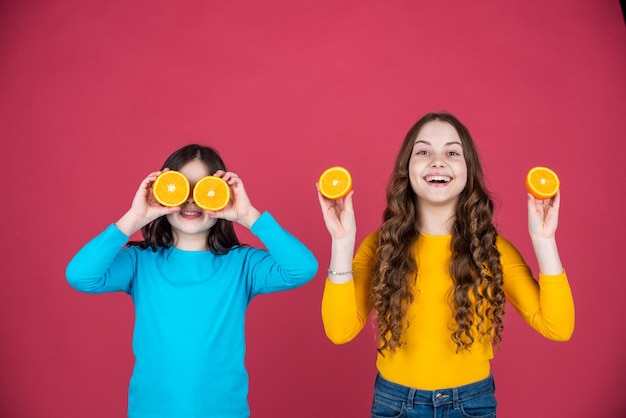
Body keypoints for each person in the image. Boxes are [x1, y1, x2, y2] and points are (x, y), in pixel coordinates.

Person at [317, 112, 575, 417]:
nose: (437, 161)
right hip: (396, 404)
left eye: (452, 152)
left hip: (471, 404)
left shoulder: (492, 250)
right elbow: (339, 330)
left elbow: (558, 327)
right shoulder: (380, 246)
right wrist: (342, 242)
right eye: (424, 151)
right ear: (407, 168)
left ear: (468, 171)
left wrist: (544, 239)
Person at [66, 144, 318, 418]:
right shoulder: (140, 261)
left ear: (221, 195)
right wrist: (135, 217)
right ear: (163, 190)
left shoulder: (243, 264)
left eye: (203, 189)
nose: (191, 200)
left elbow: (302, 268)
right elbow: (81, 276)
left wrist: (248, 215)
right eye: (180, 188)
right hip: (151, 411)